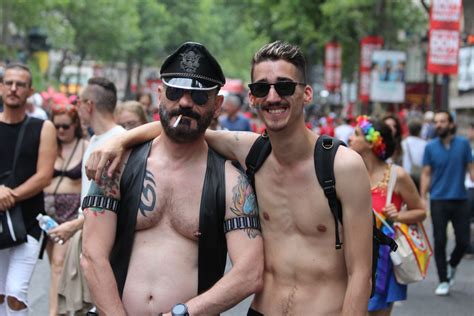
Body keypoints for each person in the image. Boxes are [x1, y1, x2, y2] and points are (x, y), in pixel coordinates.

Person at [86, 41, 373, 315]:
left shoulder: (342, 167)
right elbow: (180, 126)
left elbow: (360, 274)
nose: (273, 97)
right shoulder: (252, 153)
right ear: (252, 97)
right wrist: (119, 141)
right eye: (262, 88)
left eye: (284, 86)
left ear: (306, 93)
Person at [80, 42, 263, 315]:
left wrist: (186, 313)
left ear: (217, 105)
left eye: (200, 96)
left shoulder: (231, 183)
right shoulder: (118, 166)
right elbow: (92, 256)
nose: (186, 102)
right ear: (159, 94)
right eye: (176, 92)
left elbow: (250, 272)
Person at [53, 77, 125, 314]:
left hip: (105, 244)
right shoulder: (94, 140)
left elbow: (112, 204)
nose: (77, 109)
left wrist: (72, 226)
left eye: (78, 103)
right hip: (86, 236)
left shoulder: (119, 142)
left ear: (89, 105)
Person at [349, 116, 426, 316]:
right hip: (350, 256)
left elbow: (421, 211)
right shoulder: (348, 171)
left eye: (356, 134)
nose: (350, 138)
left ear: (371, 142)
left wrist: (398, 215)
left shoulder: (397, 176)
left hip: (383, 259)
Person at [0, 63, 56, 316]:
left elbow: (44, 176)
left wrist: (9, 195)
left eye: (20, 84)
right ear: (1, 88)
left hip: (29, 222)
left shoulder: (42, 127)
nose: (13, 89)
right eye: (9, 83)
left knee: (15, 292)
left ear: (30, 90)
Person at [420, 110, 474, 296]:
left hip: (460, 199)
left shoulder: (463, 144)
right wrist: (422, 198)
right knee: (440, 241)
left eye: (442, 121)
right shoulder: (430, 147)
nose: (439, 125)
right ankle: (443, 280)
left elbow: (471, 168)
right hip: (438, 200)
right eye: (436, 122)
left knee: (464, 241)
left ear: (451, 124)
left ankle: (453, 264)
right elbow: (426, 173)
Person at [43, 102, 88, 316]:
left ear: (75, 125)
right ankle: (61, 307)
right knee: (55, 264)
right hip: (46, 210)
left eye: (65, 126)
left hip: (70, 211)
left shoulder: (85, 145)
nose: (61, 130)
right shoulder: (48, 144)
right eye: (57, 126)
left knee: (60, 264)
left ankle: (55, 312)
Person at [401, 119, 426, 190]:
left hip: (406, 175)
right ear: (420, 130)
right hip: (420, 175)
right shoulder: (425, 144)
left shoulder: (403, 143)